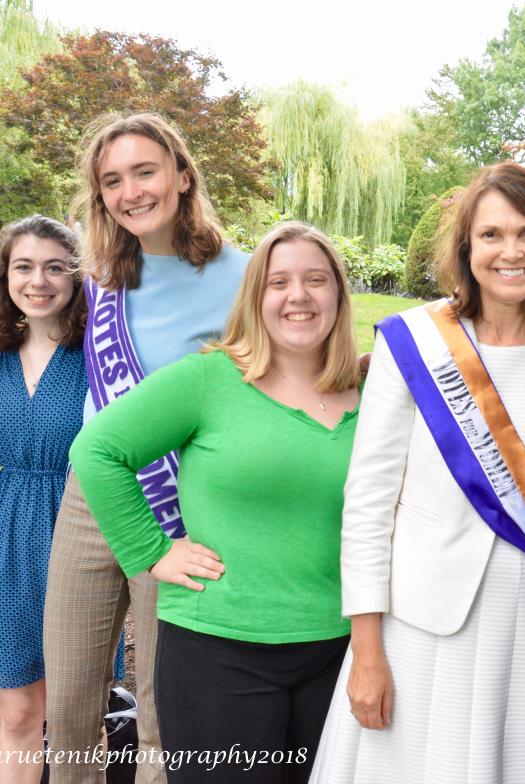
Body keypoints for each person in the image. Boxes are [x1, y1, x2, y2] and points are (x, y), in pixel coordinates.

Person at [311, 162, 525, 784]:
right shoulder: (411, 341)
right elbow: (368, 503)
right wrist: (365, 653)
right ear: (466, 247)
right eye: (491, 235)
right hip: (426, 628)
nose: (511, 252)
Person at [68, 221, 361, 783]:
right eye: (279, 283)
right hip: (217, 653)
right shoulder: (208, 379)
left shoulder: (374, 393)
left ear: (338, 296)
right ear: (255, 297)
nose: (298, 295)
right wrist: (151, 552)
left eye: (316, 280)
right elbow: (98, 450)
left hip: (338, 650)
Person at [42, 112, 249, 784]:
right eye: (112, 180)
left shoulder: (244, 275)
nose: (130, 191)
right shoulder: (96, 271)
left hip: (180, 501)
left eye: (144, 172)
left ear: (183, 176)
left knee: (166, 702)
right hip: (91, 495)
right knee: (70, 694)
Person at [0, 215, 86, 784]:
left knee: (75, 713)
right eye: (24, 266)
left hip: (75, 538)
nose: (39, 281)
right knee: (17, 709)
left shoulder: (100, 361)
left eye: (56, 267)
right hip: (5, 543)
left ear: (78, 279)